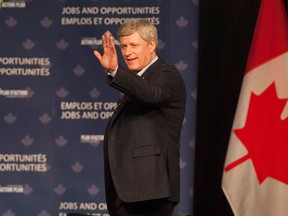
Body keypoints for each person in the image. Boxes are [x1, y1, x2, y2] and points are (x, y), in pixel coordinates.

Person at [93, 18, 186, 216]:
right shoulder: (140, 79)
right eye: (124, 46)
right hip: (129, 190)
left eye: (134, 45)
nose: (127, 52)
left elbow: (151, 93)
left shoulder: (167, 74)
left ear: (152, 45)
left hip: (150, 190)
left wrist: (115, 70)